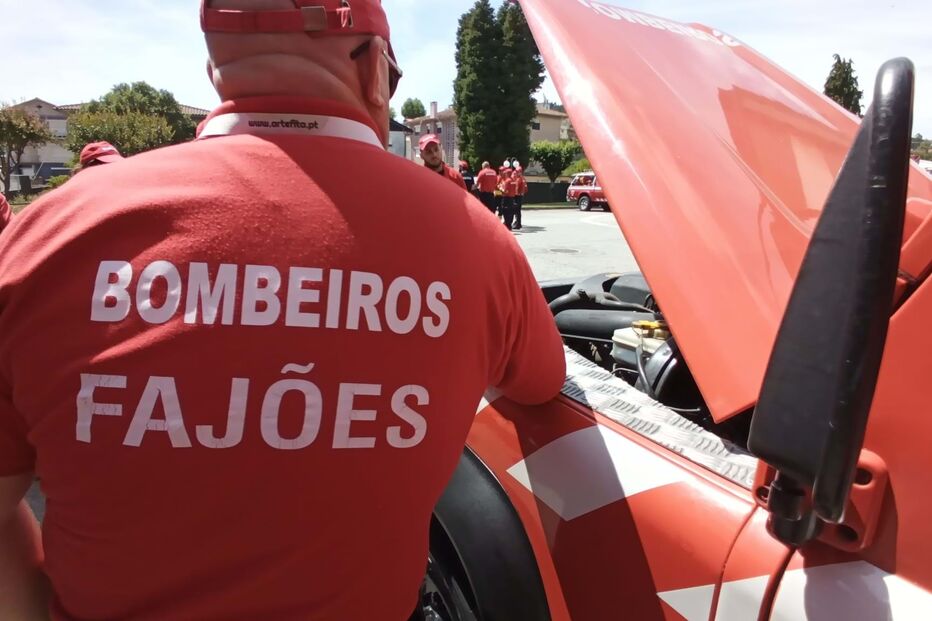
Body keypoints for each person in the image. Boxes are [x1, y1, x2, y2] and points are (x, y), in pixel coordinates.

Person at [0, 1, 566, 620]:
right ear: (375, 70)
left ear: (217, 71)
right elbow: (542, 382)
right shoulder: (474, 237)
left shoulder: (47, 234)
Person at [499, 162, 518, 230]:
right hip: (512, 198)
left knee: (505, 212)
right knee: (511, 213)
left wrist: (500, 188)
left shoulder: (507, 181)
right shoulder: (514, 181)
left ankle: (507, 225)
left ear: (507, 173)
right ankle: (509, 225)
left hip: (506, 198)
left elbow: (505, 191)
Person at [513, 161, 527, 231]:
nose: (515, 173)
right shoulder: (523, 178)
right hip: (521, 195)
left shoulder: (519, 179)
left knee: (516, 210)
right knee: (518, 210)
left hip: (517, 196)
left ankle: (517, 224)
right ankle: (518, 223)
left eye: (516, 172)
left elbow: (516, 188)